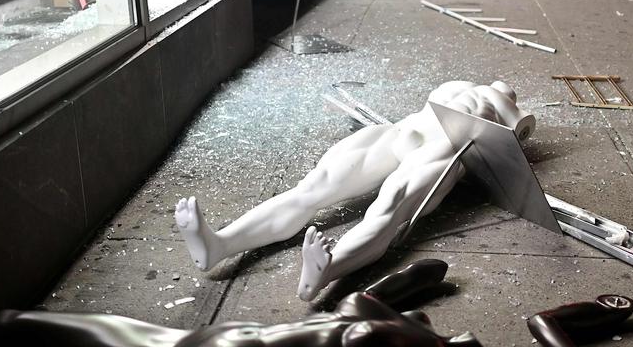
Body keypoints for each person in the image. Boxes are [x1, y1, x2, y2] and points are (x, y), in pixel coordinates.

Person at [176, 80, 535, 301]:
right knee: (316, 186)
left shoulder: (508, 109)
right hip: (401, 132)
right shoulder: (468, 89)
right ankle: (218, 244)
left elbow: (505, 154)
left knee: (391, 205)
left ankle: (328, 270)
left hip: (447, 147)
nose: (505, 87)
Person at [0, 259, 498, 347]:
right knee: (10, 326)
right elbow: (363, 299)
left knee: (12, 329)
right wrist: (411, 279)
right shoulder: (412, 338)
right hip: (195, 346)